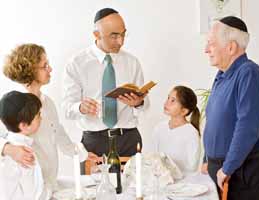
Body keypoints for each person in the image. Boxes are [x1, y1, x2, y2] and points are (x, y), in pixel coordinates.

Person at [2, 43, 99, 191]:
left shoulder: (47, 102)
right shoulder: (12, 105)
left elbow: (58, 133)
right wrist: (9, 149)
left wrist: (82, 154)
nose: (50, 69)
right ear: (30, 70)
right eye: (44, 65)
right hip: (26, 188)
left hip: (49, 182)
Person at [62, 8, 149, 173]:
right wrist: (80, 107)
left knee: (133, 191)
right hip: (93, 143)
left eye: (123, 34)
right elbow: (67, 109)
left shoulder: (132, 62)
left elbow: (145, 105)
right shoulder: (76, 64)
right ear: (96, 34)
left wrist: (139, 102)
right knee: (93, 193)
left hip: (128, 139)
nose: (121, 41)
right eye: (114, 36)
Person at [204, 16, 259, 199]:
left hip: (242, 173)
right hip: (224, 170)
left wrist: (228, 167)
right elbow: (214, 121)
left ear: (231, 47)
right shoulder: (221, 76)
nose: (206, 50)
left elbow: (247, 128)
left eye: (211, 43)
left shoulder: (248, 72)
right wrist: (206, 159)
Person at [0, 91, 49, 200]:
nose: (41, 118)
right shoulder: (13, 156)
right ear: (24, 125)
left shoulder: (25, 144)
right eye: (38, 116)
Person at [152, 86, 201, 173]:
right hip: (161, 179)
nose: (167, 103)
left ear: (184, 111)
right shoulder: (159, 128)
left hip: (183, 181)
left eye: (173, 100)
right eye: (168, 98)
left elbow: (192, 167)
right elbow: (155, 157)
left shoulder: (191, 133)